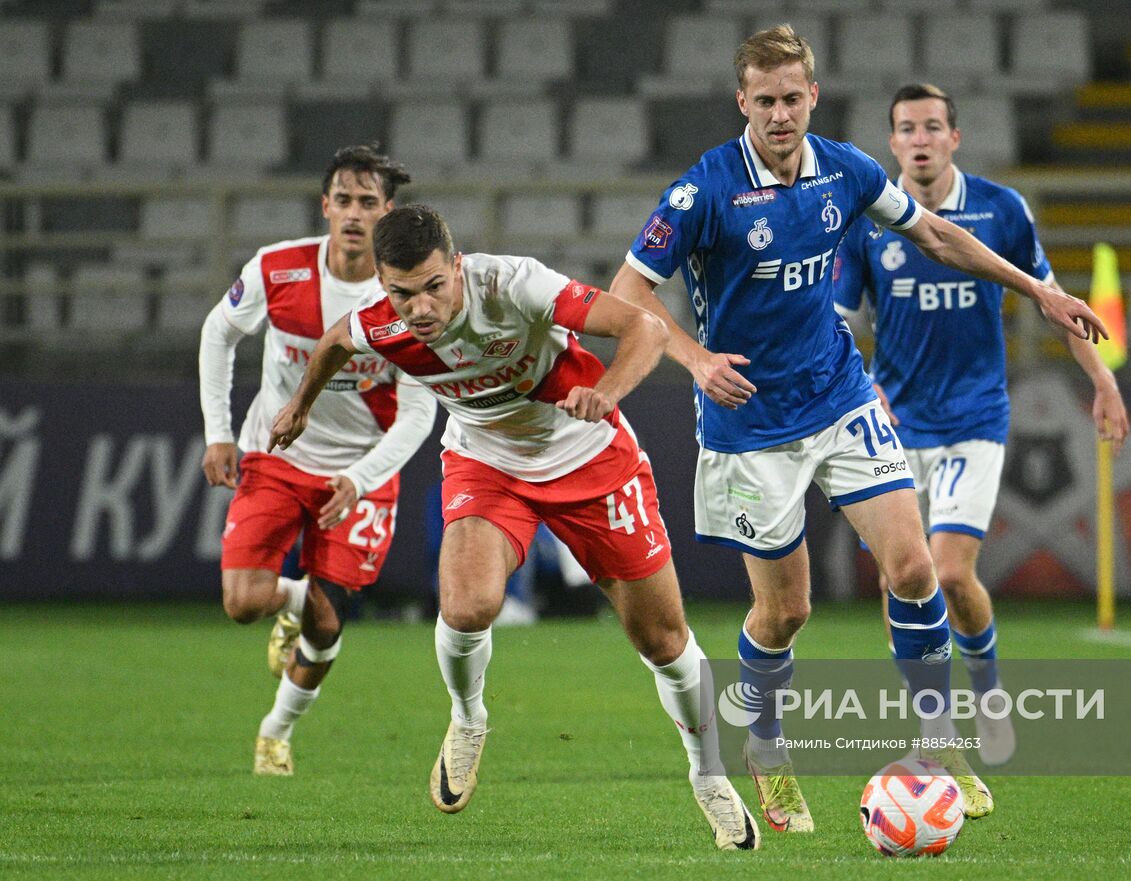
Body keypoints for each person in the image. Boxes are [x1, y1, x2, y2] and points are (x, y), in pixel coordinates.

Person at [607, 25, 1108, 830]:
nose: (779, 114)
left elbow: (936, 233)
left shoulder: (845, 169)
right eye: (763, 100)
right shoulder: (701, 191)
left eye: (792, 98)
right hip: (751, 423)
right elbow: (625, 294)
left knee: (914, 569)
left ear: (813, 95)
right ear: (742, 101)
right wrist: (696, 360)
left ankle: (939, 743)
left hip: (842, 397)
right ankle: (766, 744)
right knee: (786, 613)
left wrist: (1039, 293)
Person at [266, 205, 761, 851]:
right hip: (487, 461)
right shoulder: (383, 322)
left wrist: (609, 389)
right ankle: (468, 719)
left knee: (664, 638)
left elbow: (642, 325)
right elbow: (334, 341)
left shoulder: (513, 285)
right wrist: (299, 405)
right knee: (468, 605)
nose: (418, 307)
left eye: (433, 286)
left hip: (588, 456)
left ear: (458, 266)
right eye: (401, 292)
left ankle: (709, 775)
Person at [834, 84, 1131, 766]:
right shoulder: (870, 220)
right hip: (897, 426)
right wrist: (860, 389)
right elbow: (841, 322)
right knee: (899, 576)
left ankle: (988, 693)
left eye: (932, 126)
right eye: (906, 127)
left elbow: (1055, 302)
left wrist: (1102, 378)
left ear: (954, 138)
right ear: (893, 142)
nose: (919, 138)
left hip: (974, 418)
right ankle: (932, 726)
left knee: (951, 573)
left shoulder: (1001, 210)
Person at [198, 145, 437, 777]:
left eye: (368, 203)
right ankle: (293, 597)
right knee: (243, 602)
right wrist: (218, 432)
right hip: (278, 454)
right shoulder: (279, 270)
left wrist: (360, 480)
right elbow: (217, 332)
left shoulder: (408, 296)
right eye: (344, 200)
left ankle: (275, 732)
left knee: (327, 625)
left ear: (387, 213)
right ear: (324, 205)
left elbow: (418, 412)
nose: (354, 214)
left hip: (359, 470)